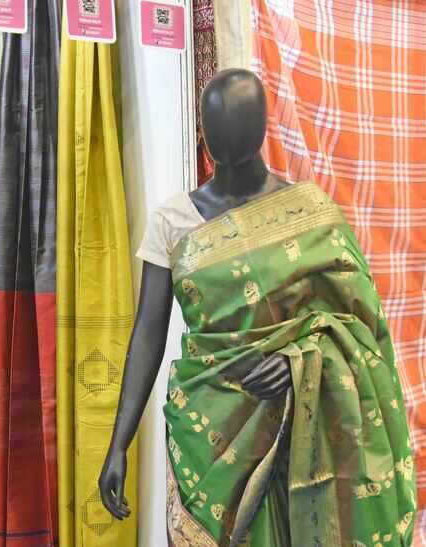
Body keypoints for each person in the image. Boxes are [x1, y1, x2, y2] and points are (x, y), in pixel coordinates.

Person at [98, 70, 416, 545]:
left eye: (238, 121)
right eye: (217, 122)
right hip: (212, 431)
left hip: (302, 429)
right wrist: (118, 444)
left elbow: (359, 329)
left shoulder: (312, 214)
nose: (226, 134)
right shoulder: (172, 222)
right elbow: (148, 334)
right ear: (203, 131)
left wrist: (301, 363)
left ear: (264, 127)